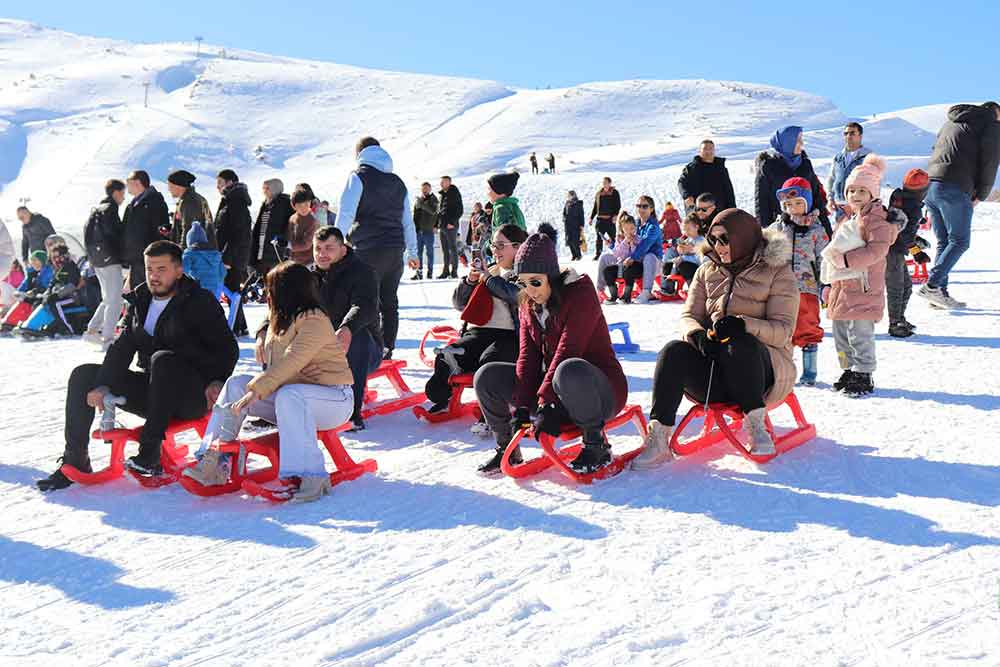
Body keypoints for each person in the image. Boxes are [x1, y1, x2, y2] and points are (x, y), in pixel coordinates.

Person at [36, 241, 239, 489]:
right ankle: (76, 459)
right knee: (83, 375)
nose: (154, 276)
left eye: (161, 269)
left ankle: (150, 453)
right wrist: (102, 384)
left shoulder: (199, 302)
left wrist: (216, 381)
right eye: (149, 269)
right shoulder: (141, 299)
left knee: (163, 359)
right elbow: (122, 348)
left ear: (178, 270)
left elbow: (228, 349)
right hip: (155, 394)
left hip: (192, 396)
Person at [632, 209, 798, 469]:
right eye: (714, 239)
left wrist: (744, 325)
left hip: (761, 374)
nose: (718, 247)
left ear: (742, 238)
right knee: (673, 351)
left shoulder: (777, 272)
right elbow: (689, 315)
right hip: (715, 376)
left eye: (724, 239)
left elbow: (784, 331)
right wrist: (696, 335)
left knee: (740, 343)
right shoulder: (707, 271)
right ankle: (659, 436)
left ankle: (756, 425)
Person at [183, 262, 354, 502]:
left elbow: (292, 361)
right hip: (291, 399)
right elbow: (280, 361)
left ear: (288, 291)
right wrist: (261, 335)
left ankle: (313, 475)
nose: (266, 294)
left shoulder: (315, 321)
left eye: (271, 289)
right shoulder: (281, 318)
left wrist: (258, 391)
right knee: (235, 385)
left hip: (333, 399)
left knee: (289, 394)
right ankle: (215, 458)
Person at [473, 228, 628, 475]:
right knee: (486, 376)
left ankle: (596, 444)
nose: (530, 290)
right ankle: (508, 450)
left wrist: (546, 402)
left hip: (599, 392)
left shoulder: (580, 295)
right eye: (523, 283)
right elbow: (528, 357)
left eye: (535, 282)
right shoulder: (528, 303)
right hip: (556, 393)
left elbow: (569, 349)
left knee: (568, 368)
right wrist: (523, 407)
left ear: (551, 276)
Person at [424, 223, 527, 414]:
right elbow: (459, 304)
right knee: (448, 354)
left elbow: (518, 296)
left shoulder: (526, 273)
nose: (494, 251)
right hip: (480, 331)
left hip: (510, 335)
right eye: (493, 246)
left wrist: (488, 279)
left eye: (500, 246)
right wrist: (470, 281)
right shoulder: (492, 270)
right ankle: (443, 395)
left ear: (518, 246)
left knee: (490, 362)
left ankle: (495, 409)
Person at [336, 136, 420, 360]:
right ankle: (387, 347)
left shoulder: (358, 177)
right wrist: (413, 252)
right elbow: (407, 221)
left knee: (365, 299)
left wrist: (334, 242)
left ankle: (370, 350)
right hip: (394, 250)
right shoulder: (397, 182)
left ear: (359, 154)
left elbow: (346, 213)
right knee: (389, 300)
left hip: (368, 248)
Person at [821, 154, 897, 397]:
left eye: (861, 191)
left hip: (863, 286)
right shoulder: (849, 218)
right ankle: (848, 368)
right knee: (841, 335)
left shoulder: (876, 220)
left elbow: (877, 250)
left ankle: (863, 372)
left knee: (860, 334)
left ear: (873, 194)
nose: (854, 195)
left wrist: (846, 260)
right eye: (851, 190)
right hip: (842, 286)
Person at [918, 102, 1000, 309]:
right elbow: (991, 161)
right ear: (996, 113)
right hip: (955, 188)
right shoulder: (990, 125)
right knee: (960, 241)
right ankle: (933, 285)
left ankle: (938, 295)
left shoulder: (951, 123)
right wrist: (981, 194)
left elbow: (935, 149)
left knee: (944, 241)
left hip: (931, 185)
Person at [310, 226, 383, 431]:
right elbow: (285, 304)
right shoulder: (308, 276)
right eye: (318, 248)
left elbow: (365, 306)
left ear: (343, 249)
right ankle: (273, 405)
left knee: (356, 335)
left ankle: (351, 413)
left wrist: (347, 327)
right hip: (322, 347)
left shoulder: (363, 272)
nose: (322, 254)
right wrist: (265, 329)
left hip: (364, 350)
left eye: (328, 248)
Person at [771, 177, 829, 385]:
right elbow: (764, 248)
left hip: (808, 287)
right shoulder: (778, 228)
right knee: (783, 328)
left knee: (808, 326)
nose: (793, 208)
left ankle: (810, 371)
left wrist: (826, 283)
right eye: (788, 205)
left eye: (798, 203)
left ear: (807, 202)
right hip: (781, 288)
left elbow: (825, 257)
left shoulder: (817, 229)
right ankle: (784, 371)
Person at [754, 126, 829, 234]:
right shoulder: (768, 167)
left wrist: (827, 231)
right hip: (781, 229)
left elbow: (817, 199)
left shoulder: (805, 163)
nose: (802, 143)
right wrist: (766, 235)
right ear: (787, 143)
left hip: (809, 231)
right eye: (798, 140)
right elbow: (762, 206)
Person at [82, 179, 126, 348]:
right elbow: (114, 236)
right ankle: (108, 339)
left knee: (108, 298)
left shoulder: (96, 210)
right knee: (116, 300)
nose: (123, 198)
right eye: (122, 193)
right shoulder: (110, 209)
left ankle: (92, 331)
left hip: (97, 261)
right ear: (116, 193)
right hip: (110, 259)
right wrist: (122, 256)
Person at [885, 169, 929, 337]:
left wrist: (915, 237)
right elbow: (904, 234)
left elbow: (900, 226)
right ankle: (894, 323)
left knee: (907, 286)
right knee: (897, 288)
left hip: (894, 248)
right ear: (922, 191)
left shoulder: (898, 198)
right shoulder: (914, 208)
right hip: (892, 251)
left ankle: (900, 318)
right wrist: (917, 252)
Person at [214, 169, 253, 336]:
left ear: (230, 182)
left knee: (231, 289)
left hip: (233, 257)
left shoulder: (236, 201)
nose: (217, 187)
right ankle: (239, 325)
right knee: (231, 290)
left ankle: (237, 326)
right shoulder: (229, 199)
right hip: (228, 254)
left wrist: (228, 257)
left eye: (220, 183)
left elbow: (238, 233)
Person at [122, 170, 170, 289]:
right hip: (136, 260)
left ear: (137, 182)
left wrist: (156, 255)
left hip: (149, 259)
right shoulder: (132, 205)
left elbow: (161, 231)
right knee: (137, 293)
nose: (126, 185)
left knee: (148, 292)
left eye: (128, 182)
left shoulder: (154, 201)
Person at [826, 122, 872, 221]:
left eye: (852, 133)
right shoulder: (838, 157)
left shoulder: (868, 156)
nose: (848, 136)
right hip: (840, 207)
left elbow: (874, 182)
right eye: (846, 134)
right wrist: (830, 198)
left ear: (860, 136)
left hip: (859, 207)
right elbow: (831, 179)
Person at [678, 139, 737, 211]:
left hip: (719, 210)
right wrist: (686, 196)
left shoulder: (720, 168)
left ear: (714, 151)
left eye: (710, 149)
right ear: (700, 151)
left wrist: (732, 209)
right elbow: (681, 182)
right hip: (699, 211)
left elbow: (728, 190)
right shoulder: (692, 168)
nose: (708, 151)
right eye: (705, 149)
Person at [251, 178, 293, 278]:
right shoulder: (266, 204)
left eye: (267, 188)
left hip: (276, 247)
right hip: (262, 247)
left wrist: (282, 239)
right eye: (263, 188)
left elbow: (289, 225)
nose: (264, 191)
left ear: (275, 188)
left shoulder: (285, 203)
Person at [166, 169, 215, 248]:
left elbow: (189, 231)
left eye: (170, 186)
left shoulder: (190, 202)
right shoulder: (188, 199)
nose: (169, 189)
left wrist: (182, 253)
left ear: (178, 186)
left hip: (195, 254)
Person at [599, 212, 639, 303]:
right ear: (622, 229)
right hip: (621, 266)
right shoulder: (619, 239)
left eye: (632, 228)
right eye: (626, 229)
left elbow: (638, 254)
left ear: (635, 228)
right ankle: (613, 295)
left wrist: (633, 244)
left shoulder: (638, 238)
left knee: (629, 271)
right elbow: (617, 254)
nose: (630, 231)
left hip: (634, 266)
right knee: (607, 271)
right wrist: (625, 242)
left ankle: (627, 296)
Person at [483, 172, 525, 259]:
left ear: (500, 192)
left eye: (489, 189)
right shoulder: (513, 206)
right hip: (517, 251)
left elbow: (503, 233)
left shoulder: (500, 209)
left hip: (506, 255)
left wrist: (489, 246)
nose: (487, 193)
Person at [661, 213, 705, 294]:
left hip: (696, 268)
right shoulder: (688, 240)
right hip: (682, 265)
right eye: (684, 230)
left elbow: (700, 258)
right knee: (667, 264)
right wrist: (681, 251)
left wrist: (684, 257)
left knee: (684, 266)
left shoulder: (701, 241)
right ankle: (667, 289)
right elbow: (682, 253)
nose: (686, 232)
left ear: (697, 227)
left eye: (688, 229)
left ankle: (693, 289)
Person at [182, 222, 226, 298]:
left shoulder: (189, 253)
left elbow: (182, 271)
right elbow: (223, 273)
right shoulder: (216, 254)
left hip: (197, 289)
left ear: (189, 241)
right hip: (214, 291)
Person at [437, 176, 464, 279]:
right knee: (444, 250)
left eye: (443, 182)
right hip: (442, 226)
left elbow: (460, 209)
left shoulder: (454, 193)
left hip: (450, 226)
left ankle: (454, 271)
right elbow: (440, 212)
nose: (441, 184)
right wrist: (437, 224)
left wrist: (452, 222)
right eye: (441, 182)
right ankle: (445, 271)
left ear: (449, 182)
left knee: (452, 249)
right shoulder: (442, 195)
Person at [412, 182, 439, 280]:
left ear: (430, 189)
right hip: (419, 231)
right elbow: (415, 215)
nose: (425, 190)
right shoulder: (419, 200)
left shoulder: (434, 199)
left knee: (430, 253)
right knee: (418, 253)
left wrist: (422, 204)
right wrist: (413, 229)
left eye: (427, 188)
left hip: (428, 230)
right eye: (423, 188)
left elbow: (433, 212)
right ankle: (419, 273)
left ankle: (430, 273)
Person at [590, 177, 622, 258]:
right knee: (599, 238)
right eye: (603, 182)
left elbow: (618, 205)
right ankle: (598, 254)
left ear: (610, 183)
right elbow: (595, 206)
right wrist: (591, 217)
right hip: (600, 220)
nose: (604, 184)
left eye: (606, 182)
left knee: (613, 237)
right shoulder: (599, 193)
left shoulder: (614, 192)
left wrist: (615, 215)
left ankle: (617, 253)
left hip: (610, 220)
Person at [287, 190, 319, 265]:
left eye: (306, 204)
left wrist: (290, 246)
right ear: (294, 206)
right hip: (294, 259)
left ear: (310, 203)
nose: (304, 208)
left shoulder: (312, 220)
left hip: (309, 260)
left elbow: (307, 244)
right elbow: (290, 236)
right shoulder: (292, 218)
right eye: (300, 206)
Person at [562, 190, 585, 260]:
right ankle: (574, 255)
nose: (568, 197)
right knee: (569, 241)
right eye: (568, 195)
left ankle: (579, 255)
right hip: (568, 225)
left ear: (573, 195)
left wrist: (581, 224)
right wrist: (564, 218)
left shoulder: (578, 204)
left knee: (575, 241)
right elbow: (564, 212)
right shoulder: (567, 203)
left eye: (569, 195)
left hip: (575, 225)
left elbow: (581, 215)